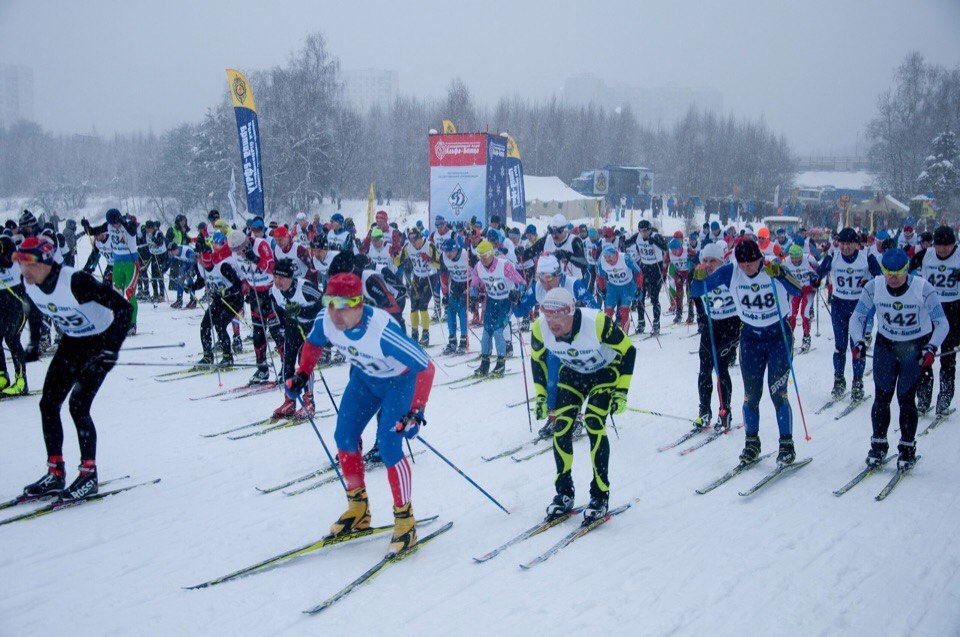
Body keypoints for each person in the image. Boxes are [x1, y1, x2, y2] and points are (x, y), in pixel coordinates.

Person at [285, 272, 435, 554]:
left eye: (342, 305)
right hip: (365, 380)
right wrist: (303, 373)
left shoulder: (382, 331)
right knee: (344, 436)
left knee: (389, 446)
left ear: (359, 304)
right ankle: (358, 507)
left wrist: (416, 411)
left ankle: (405, 521)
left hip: (398, 383)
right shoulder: (326, 321)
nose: (334, 313)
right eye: (329, 302)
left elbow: (425, 366)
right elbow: (314, 342)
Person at [15, 236, 132, 500]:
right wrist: (34, 341)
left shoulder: (76, 281)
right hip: (72, 342)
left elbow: (123, 310)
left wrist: (111, 351)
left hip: (99, 342)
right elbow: (32, 308)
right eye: (20, 264)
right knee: (48, 403)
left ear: (45, 262)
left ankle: (89, 474)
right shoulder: (30, 282)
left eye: (28, 264)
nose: (24, 271)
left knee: (78, 405)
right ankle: (55, 472)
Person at [692, 238, 802, 466]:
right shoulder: (731, 272)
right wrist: (698, 277)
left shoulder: (772, 266)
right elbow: (698, 289)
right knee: (751, 396)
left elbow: (798, 290)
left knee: (777, 392)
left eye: (750, 264)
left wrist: (781, 274)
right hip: (751, 338)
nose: (746, 269)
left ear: (759, 258)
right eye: (742, 264)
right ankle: (752, 443)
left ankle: (786, 445)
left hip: (778, 336)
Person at [531, 287, 635, 522]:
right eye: (548, 317)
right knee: (561, 426)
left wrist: (622, 392)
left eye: (557, 317)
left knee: (593, 422)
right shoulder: (539, 328)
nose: (552, 323)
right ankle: (564, 493)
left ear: (570, 313)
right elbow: (537, 359)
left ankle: (600, 495)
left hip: (604, 372)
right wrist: (540, 396)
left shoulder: (596, 322)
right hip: (574, 373)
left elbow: (628, 350)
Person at [849, 249, 947, 470]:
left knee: (905, 397)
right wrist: (857, 341)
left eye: (899, 273)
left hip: (914, 346)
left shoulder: (923, 288)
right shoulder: (873, 286)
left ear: (907, 270)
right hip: (886, 345)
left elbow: (942, 323)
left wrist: (931, 347)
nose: (893, 278)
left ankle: (907, 447)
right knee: (882, 396)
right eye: (888, 272)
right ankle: (878, 445)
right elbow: (858, 317)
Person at [816, 227, 882, 401]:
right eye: (843, 243)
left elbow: (880, 277)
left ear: (856, 244)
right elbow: (820, 272)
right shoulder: (834, 256)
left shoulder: (866, 257)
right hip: (839, 305)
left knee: (857, 346)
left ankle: (857, 382)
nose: (845, 247)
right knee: (839, 345)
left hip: (858, 306)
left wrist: (869, 281)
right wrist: (816, 279)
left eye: (849, 244)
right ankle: (839, 380)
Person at [909, 225, 960, 415]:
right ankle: (923, 399)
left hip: (953, 311)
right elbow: (904, 270)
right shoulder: (925, 255)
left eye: (948, 245)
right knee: (924, 355)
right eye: (940, 245)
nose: (943, 249)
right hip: (928, 311)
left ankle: (944, 400)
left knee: (948, 357)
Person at [692, 241, 740, 429]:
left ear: (722, 261)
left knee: (721, 367)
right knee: (704, 368)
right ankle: (704, 411)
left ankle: (724, 411)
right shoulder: (701, 275)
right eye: (706, 260)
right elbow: (696, 297)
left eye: (714, 261)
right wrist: (702, 318)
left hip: (731, 323)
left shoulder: (729, 274)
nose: (709, 264)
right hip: (712, 324)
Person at [228, 228, 284, 384]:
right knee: (258, 333)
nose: (238, 253)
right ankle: (262, 369)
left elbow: (272, 268)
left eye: (240, 250)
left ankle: (287, 367)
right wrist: (245, 287)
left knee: (276, 331)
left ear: (246, 243)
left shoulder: (260, 245)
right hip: (255, 294)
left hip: (270, 292)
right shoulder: (235, 254)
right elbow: (242, 274)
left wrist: (255, 259)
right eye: (235, 251)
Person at [270, 258, 323, 417]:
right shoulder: (275, 290)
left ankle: (309, 401)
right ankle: (290, 400)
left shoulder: (305, 288)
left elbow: (325, 303)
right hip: (293, 325)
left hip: (311, 325)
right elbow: (278, 307)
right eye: (276, 277)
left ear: (290, 277)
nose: (278, 282)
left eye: (282, 278)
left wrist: (302, 311)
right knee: (287, 361)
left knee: (303, 361)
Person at [470, 239, 526, 377]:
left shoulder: (504, 265)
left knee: (498, 331)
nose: (482, 260)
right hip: (491, 301)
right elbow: (474, 284)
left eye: (484, 257)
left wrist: (517, 293)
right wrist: (472, 298)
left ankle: (501, 364)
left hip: (506, 302)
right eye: (479, 257)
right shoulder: (479, 267)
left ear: (491, 254)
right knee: (486, 332)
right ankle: (485, 363)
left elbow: (521, 282)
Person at [81, 209, 140, 334]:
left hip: (131, 263)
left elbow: (133, 231)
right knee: (117, 294)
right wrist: (86, 226)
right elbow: (94, 232)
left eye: (115, 223)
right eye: (111, 223)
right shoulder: (108, 225)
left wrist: (123, 222)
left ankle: (132, 324)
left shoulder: (128, 224)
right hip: (117, 263)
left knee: (130, 293)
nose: (114, 226)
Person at [193, 238, 244, 368]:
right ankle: (208, 356)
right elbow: (201, 280)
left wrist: (224, 293)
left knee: (220, 325)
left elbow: (238, 285)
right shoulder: (201, 266)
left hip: (233, 300)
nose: (198, 261)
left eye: (200, 258)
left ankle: (228, 357)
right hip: (219, 300)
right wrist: (192, 287)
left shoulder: (222, 266)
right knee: (205, 325)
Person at [397, 228, 440, 346]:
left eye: (415, 239)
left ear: (420, 237)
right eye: (411, 240)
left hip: (429, 277)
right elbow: (397, 262)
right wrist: (397, 256)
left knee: (423, 306)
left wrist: (430, 260)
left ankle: (425, 335)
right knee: (413, 307)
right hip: (416, 278)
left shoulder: (429, 246)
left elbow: (441, 264)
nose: (413, 242)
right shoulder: (408, 247)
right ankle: (414, 334)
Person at [624, 220, 668, 334]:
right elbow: (627, 243)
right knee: (640, 296)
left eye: (645, 231)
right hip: (644, 267)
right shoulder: (637, 236)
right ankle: (641, 322)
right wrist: (622, 241)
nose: (643, 233)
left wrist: (654, 241)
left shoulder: (655, 236)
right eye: (641, 231)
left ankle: (656, 323)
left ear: (650, 229)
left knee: (654, 297)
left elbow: (665, 247)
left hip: (656, 268)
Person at [0, 230, 27, 395]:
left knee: (12, 337)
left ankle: (21, 380)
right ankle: (2, 376)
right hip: (1, 299)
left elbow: (8, 263)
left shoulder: (8, 244)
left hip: (17, 299)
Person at [595, 244, 642, 333]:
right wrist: (603, 289)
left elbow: (638, 272)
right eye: (605, 256)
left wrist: (638, 287)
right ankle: (608, 336)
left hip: (627, 286)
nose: (607, 259)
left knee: (624, 312)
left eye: (609, 256)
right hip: (613, 287)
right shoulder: (602, 262)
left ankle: (624, 336)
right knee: (608, 312)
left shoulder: (625, 258)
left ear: (615, 253)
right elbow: (600, 277)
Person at [783, 244, 820, 353]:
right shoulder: (786, 261)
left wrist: (816, 279)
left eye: (798, 257)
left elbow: (818, 270)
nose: (795, 260)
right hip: (794, 291)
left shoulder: (809, 258)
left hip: (808, 290)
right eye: (793, 257)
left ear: (801, 255)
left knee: (806, 313)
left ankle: (806, 338)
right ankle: (790, 337)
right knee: (791, 314)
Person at [440, 236, 470, 354]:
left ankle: (464, 340)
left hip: (468, 283)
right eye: (446, 251)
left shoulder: (465, 254)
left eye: (450, 251)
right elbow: (443, 275)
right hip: (455, 284)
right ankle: (452, 340)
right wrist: (445, 294)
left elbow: (477, 271)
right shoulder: (443, 257)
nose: (448, 254)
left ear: (456, 249)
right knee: (450, 310)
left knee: (462, 310)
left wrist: (474, 291)